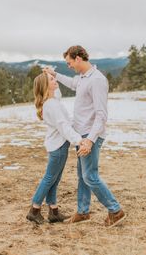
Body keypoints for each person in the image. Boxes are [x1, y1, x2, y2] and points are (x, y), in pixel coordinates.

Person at [44, 45, 126, 228]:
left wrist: (90, 140)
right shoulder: (82, 78)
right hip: (81, 134)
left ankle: (115, 210)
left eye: (69, 62)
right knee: (82, 175)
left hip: (90, 135)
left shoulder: (97, 80)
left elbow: (101, 115)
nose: (69, 66)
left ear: (78, 58)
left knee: (90, 176)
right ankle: (83, 212)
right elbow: (72, 83)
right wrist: (54, 74)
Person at [26, 71, 83, 225]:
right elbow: (63, 126)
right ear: (46, 85)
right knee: (49, 178)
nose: (55, 80)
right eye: (52, 80)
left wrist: (51, 73)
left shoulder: (52, 100)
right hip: (58, 147)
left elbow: (57, 94)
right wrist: (79, 140)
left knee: (54, 180)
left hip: (58, 145)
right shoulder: (51, 105)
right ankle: (34, 210)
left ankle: (54, 211)